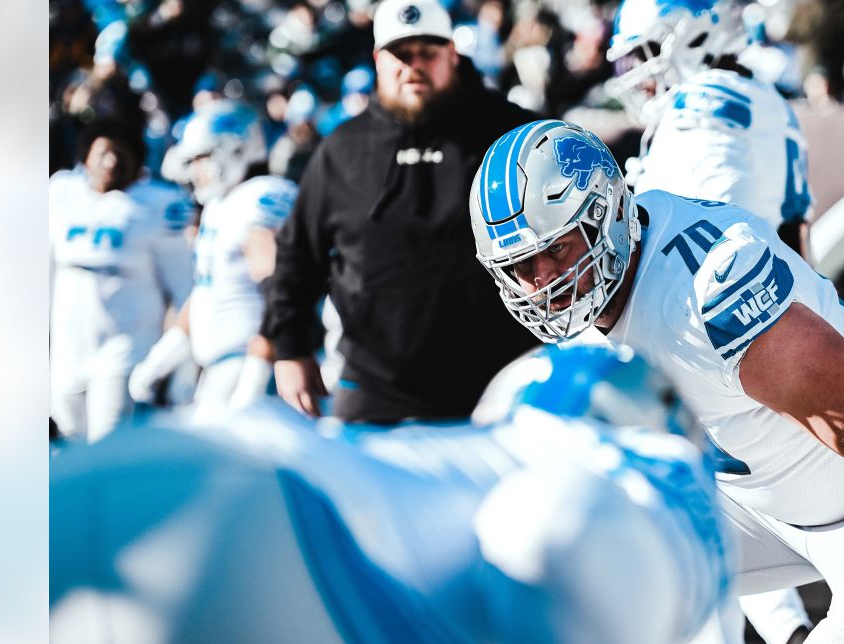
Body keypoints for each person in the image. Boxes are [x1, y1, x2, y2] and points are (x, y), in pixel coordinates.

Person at [471, 120, 844, 644]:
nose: (544, 283)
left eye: (559, 249)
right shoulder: (595, 301)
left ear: (607, 216)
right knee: (569, 583)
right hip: (764, 500)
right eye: (522, 265)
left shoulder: (709, 291)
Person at [51, 344, 731, 644]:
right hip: (258, 545)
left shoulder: (468, 453)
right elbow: (555, 530)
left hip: (133, 471)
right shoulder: (644, 457)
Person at [608, 1, 816, 644]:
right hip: (774, 332)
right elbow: (795, 233)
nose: (634, 76)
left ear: (691, 35)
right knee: (729, 527)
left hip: (707, 335)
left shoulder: (699, 103)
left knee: (688, 535)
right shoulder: (772, 103)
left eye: (641, 55)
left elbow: (692, 231)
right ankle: (796, 643)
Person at [260, 0, 540, 425]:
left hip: (499, 382)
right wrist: (290, 349)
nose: (414, 65)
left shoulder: (511, 136)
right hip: (375, 387)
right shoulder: (341, 151)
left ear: (451, 52)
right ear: (377, 60)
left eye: (427, 52)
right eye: (400, 54)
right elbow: (297, 255)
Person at [608, 0, 814, 261]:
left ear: (696, 35)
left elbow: (688, 242)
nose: (640, 76)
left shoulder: (703, 102)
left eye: (647, 54)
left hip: (724, 282)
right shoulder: (765, 96)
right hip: (775, 277)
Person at [130, 100, 297, 410]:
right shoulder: (221, 206)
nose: (195, 170)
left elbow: (281, 292)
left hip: (251, 361)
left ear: (235, 149)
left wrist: (257, 369)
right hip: (219, 366)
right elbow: (210, 287)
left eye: (202, 157)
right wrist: (164, 355)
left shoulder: (257, 199)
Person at [49, 121, 194, 441]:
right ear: (86, 157)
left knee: (107, 444)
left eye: (121, 154)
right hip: (67, 350)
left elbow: (186, 288)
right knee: (67, 446)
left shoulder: (157, 205)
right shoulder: (60, 192)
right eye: (103, 153)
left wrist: (179, 361)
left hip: (125, 349)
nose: (112, 162)